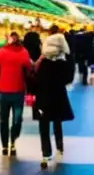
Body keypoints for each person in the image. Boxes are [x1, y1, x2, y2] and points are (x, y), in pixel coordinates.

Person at [31, 32, 75, 168]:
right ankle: (59, 147)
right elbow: (68, 79)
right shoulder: (64, 60)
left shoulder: (42, 60)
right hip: (58, 95)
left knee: (43, 125)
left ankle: (45, 153)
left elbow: (34, 77)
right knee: (57, 122)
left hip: (43, 96)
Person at [0, 32, 31, 156]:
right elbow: (28, 71)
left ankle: (4, 145)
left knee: (3, 119)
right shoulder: (24, 52)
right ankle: (12, 142)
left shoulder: (0, 52)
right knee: (17, 120)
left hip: (4, 91)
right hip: (18, 90)